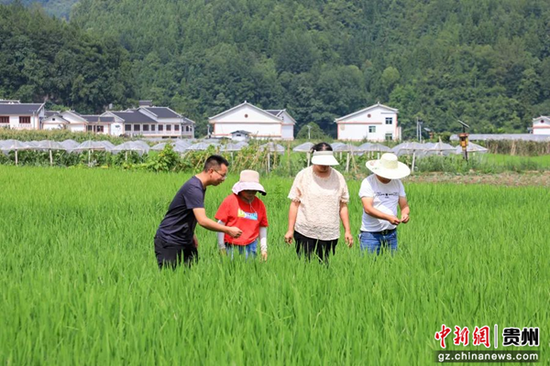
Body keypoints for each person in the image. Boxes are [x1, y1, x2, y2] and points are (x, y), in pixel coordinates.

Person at [154, 155, 243, 268]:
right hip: (170, 240)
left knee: (190, 280)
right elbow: (202, 220)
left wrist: (191, 235)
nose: (223, 179)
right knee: (170, 281)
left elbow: (187, 214)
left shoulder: (199, 186)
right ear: (211, 171)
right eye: (222, 175)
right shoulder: (194, 188)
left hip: (185, 241)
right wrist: (228, 230)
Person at [284, 142, 353, 262]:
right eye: (321, 162)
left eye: (327, 163)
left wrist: (347, 231)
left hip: (329, 233)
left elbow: (343, 205)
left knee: (324, 268)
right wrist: (290, 230)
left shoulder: (338, 177)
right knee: (304, 267)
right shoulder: (303, 175)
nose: (324, 166)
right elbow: (295, 204)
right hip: (305, 231)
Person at [359, 153, 411, 255]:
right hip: (371, 235)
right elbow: (368, 208)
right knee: (369, 267)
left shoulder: (397, 183)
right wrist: (388, 218)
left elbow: (404, 205)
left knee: (392, 267)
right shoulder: (368, 182)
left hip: (391, 234)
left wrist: (405, 214)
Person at [215, 170, 269, 261]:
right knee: (230, 271)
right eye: (247, 190)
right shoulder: (230, 201)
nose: (250, 193)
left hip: (251, 245)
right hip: (231, 245)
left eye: (253, 190)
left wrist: (264, 249)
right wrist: (221, 246)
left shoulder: (260, 205)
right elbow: (220, 224)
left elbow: (262, 227)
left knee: (249, 271)